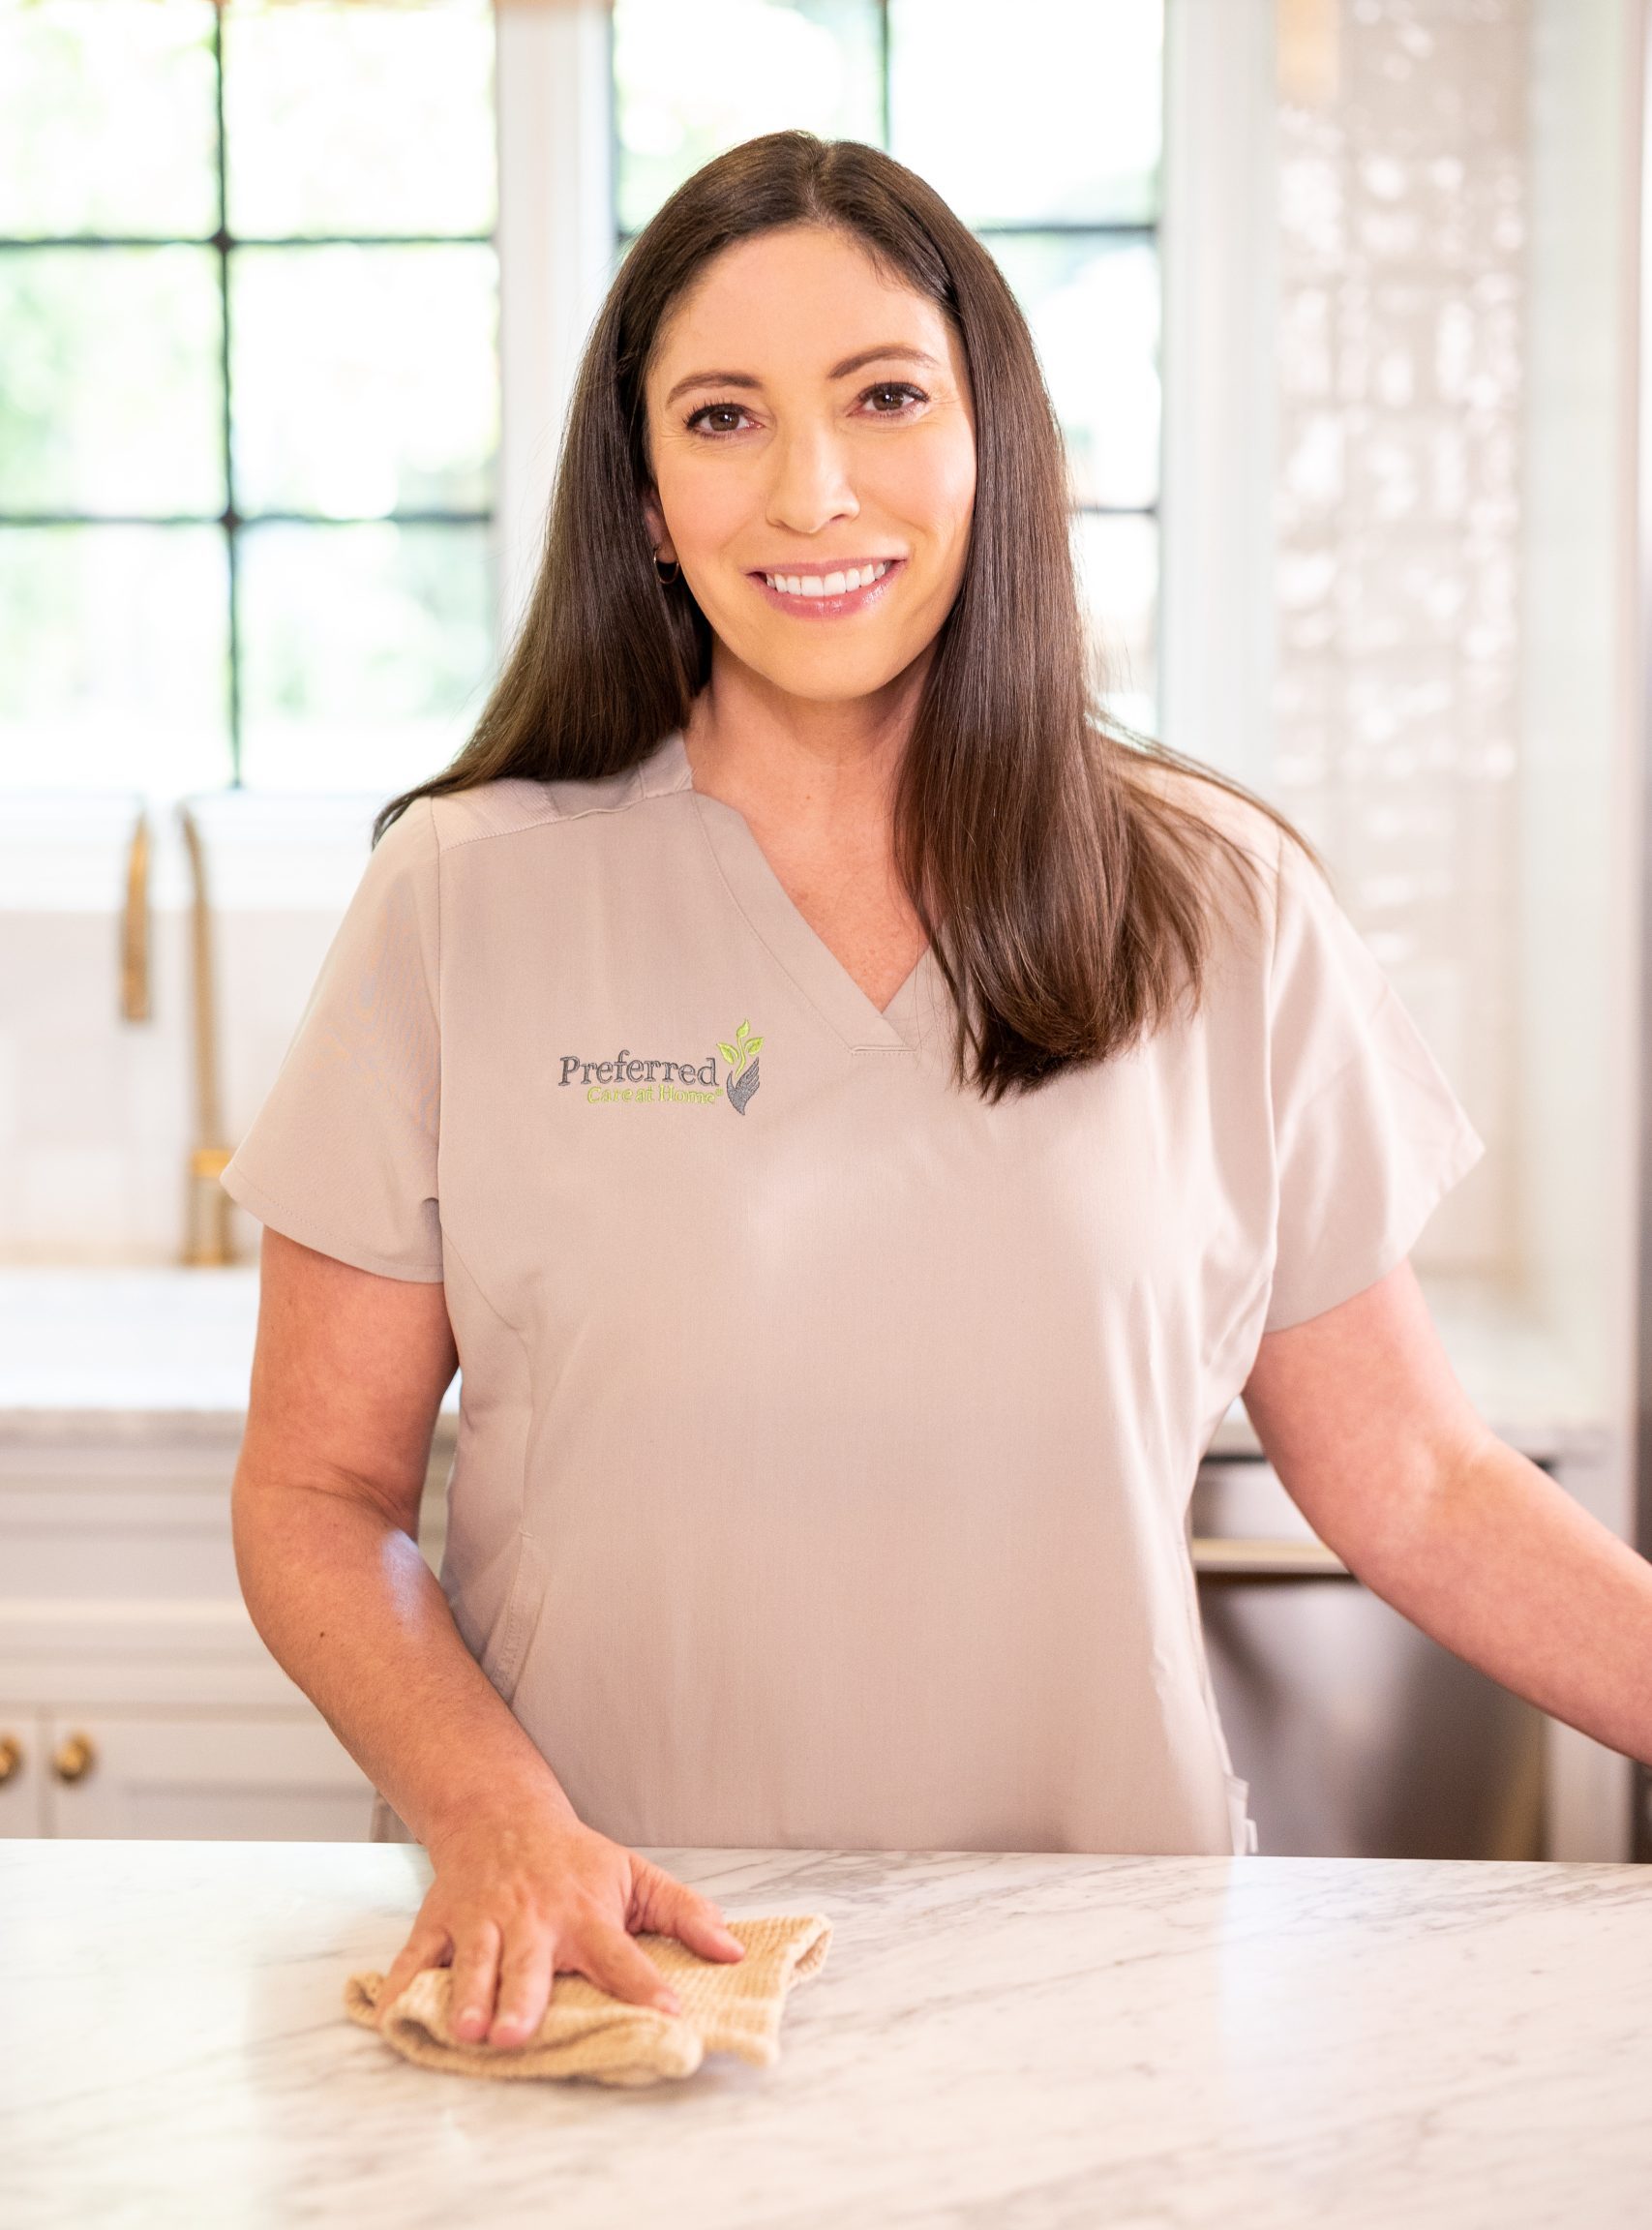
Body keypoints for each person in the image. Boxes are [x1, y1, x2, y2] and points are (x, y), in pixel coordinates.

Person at [225, 131, 1652, 2055]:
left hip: (1107, 1993)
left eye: (884, 397)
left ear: (995, 444)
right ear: (644, 499)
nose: (809, 489)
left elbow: (1414, 1479)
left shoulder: (1217, 903)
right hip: (614, 1980)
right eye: (722, 416)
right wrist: (494, 1819)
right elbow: (317, 1494)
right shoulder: (466, 898)